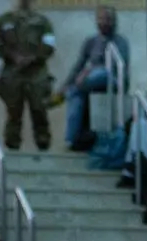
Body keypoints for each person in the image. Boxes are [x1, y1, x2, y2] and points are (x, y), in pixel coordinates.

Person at [59, 5, 128, 149]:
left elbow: (116, 67)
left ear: (114, 21)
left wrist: (87, 73)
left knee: (101, 73)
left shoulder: (120, 41)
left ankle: (78, 86)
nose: (105, 22)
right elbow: (78, 65)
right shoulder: (90, 41)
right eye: (101, 19)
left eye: (108, 19)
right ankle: (70, 139)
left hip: (113, 79)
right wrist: (66, 85)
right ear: (96, 21)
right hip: (89, 81)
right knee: (74, 95)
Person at [0, 0, 55, 151]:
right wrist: (13, 56)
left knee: (39, 109)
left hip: (37, 73)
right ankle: (12, 145)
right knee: (13, 111)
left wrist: (33, 58)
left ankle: (43, 143)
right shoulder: (3, 20)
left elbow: (50, 44)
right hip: (12, 72)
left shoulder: (43, 21)